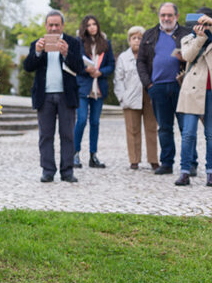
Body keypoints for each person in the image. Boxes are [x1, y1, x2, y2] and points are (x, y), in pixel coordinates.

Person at [23, 10, 85, 183]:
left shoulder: (73, 42)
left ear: (63, 26)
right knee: (45, 135)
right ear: (46, 26)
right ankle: (48, 170)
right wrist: (36, 52)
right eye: (50, 25)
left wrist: (67, 54)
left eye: (57, 25)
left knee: (67, 135)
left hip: (66, 95)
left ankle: (67, 171)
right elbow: (28, 67)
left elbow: (80, 67)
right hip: (45, 96)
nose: (53, 28)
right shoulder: (37, 43)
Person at [136, 2, 194, 175]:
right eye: (163, 15)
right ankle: (167, 162)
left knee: (187, 128)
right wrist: (149, 85)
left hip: (182, 87)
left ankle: (190, 164)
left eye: (169, 15)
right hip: (158, 88)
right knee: (164, 127)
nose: (166, 18)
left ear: (176, 16)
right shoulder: (149, 35)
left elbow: (198, 57)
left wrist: (186, 59)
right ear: (159, 16)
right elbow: (140, 62)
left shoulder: (187, 34)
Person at [174, 9, 212, 186]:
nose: (202, 27)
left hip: (210, 90)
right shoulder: (188, 38)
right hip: (192, 91)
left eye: (206, 23)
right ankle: (185, 171)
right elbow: (187, 56)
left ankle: (210, 172)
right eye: (199, 23)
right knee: (188, 134)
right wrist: (200, 38)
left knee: (210, 135)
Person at [113, 26, 159, 170]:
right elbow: (118, 79)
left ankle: (153, 159)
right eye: (134, 38)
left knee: (151, 128)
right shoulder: (123, 57)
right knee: (132, 129)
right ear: (129, 40)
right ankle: (134, 160)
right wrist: (122, 97)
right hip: (130, 96)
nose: (137, 41)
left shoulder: (150, 54)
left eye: (140, 38)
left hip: (148, 94)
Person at [73, 15, 115, 169]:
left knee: (95, 122)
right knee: (82, 119)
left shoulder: (106, 43)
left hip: (99, 87)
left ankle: (93, 156)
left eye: (94, 24)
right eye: (89, 25)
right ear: (85, 27)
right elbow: (75, 64)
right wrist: (86, 70)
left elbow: (111, 65)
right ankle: (75, 153)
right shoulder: (78, 43)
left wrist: (101, 72)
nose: (92, 27)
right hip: (83, 87)